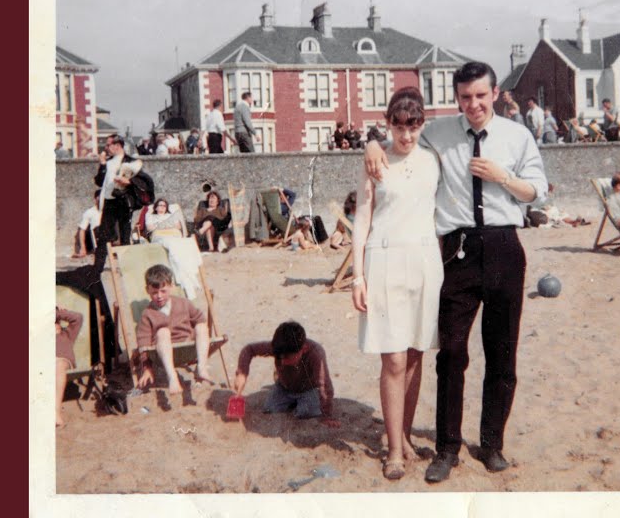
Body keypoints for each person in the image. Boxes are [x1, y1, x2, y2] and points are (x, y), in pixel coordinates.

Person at [365, 61, 548, 483]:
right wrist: (372, 144)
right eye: (465, 97)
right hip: (457, 251)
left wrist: (504, 177)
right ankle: (447, 448)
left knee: (502, 353)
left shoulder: (517, 135)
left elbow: (536, 191)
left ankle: (492, 444)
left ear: (496, 93)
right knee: (450, 354)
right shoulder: (440, 132)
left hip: (504, 246)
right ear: (456, 98)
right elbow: (401, 132)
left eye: (481, 95)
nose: (474, 104)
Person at [349, 87, 444, 480]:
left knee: (416, 354)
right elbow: (362, 219)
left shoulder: (433, 159)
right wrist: (357, 275)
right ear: (388, 124)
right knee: (394, 359)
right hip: (384, 260)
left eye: (414, 127)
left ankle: (402, 434)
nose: (406, 135)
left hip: (425, 261)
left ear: (422, 124)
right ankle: (393, 450)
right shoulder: (375, 160)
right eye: (399, 127)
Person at [233, 321, 340, 428]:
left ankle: (300, 402)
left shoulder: (315, 353)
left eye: (287, 358)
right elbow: (249, 349)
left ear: (303, 349)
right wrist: (242, 373)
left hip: (307, 389)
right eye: (279, 357)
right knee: (269, 408)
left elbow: (325, 385)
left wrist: (327, 416)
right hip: (285, 387)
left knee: (305, 412)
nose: (282, 362)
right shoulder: (280, 347)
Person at [133, 264, 214, 402]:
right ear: (147, 290)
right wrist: (147, 368)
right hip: (162, 352)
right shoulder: (148, 314)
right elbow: (143, 343)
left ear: (171, 287)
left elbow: (200, 319)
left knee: (201, 326)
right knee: (163, 331)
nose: (159, 296)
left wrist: (197, 331)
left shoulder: (184, 303)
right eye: (154, 292)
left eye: (163, 291)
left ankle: (201, 367)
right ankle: (172, 377)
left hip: (188, 347)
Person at [94, 134, 141, 246]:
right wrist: (102, 165)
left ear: (118, 145)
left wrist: (129, 182)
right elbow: (99, 182)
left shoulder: (131, 161)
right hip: (108, 201)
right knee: (104, 234)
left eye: (108, 145)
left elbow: (142, 181)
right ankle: (101, 258)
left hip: (123, 200)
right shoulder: (107, 162)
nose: (106, 148)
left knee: (125, 233)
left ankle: (125, 257)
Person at [55, 306, 83, 428]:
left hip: (60, 362)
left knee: (59, 365)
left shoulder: (67, 334)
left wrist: (58, 312)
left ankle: (55, 412)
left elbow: (78, 317)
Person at [71, 190, 102, 259]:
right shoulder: (90, 212)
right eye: (99, 199)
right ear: (96, 199)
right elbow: (82, 230)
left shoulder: (109, 211)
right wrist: (83, 248)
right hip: (97, 238)